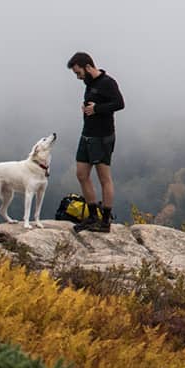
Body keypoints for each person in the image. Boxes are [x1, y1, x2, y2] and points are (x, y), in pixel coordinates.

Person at [66, 51, 124, 233]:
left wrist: (97, 109)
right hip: (87, 134)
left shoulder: (108, 83)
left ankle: (105, 221)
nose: (78, 77)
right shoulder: (88, 83)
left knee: (104, 178)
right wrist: (87, 108)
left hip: (102, 136)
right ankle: (92, 216)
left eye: (79, 72)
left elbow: (119, 103)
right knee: (81, 174)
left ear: (88, 67)